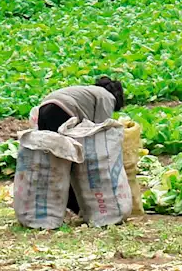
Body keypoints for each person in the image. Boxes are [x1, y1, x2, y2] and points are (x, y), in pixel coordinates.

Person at [34, 76, 126, 213]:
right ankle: (75, 206)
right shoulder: (107, 97)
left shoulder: (89, 92)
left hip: (44, 109)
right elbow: (101, 129)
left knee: (53, 162)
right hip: (60, 111)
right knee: (68, 162)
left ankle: (51, 202)